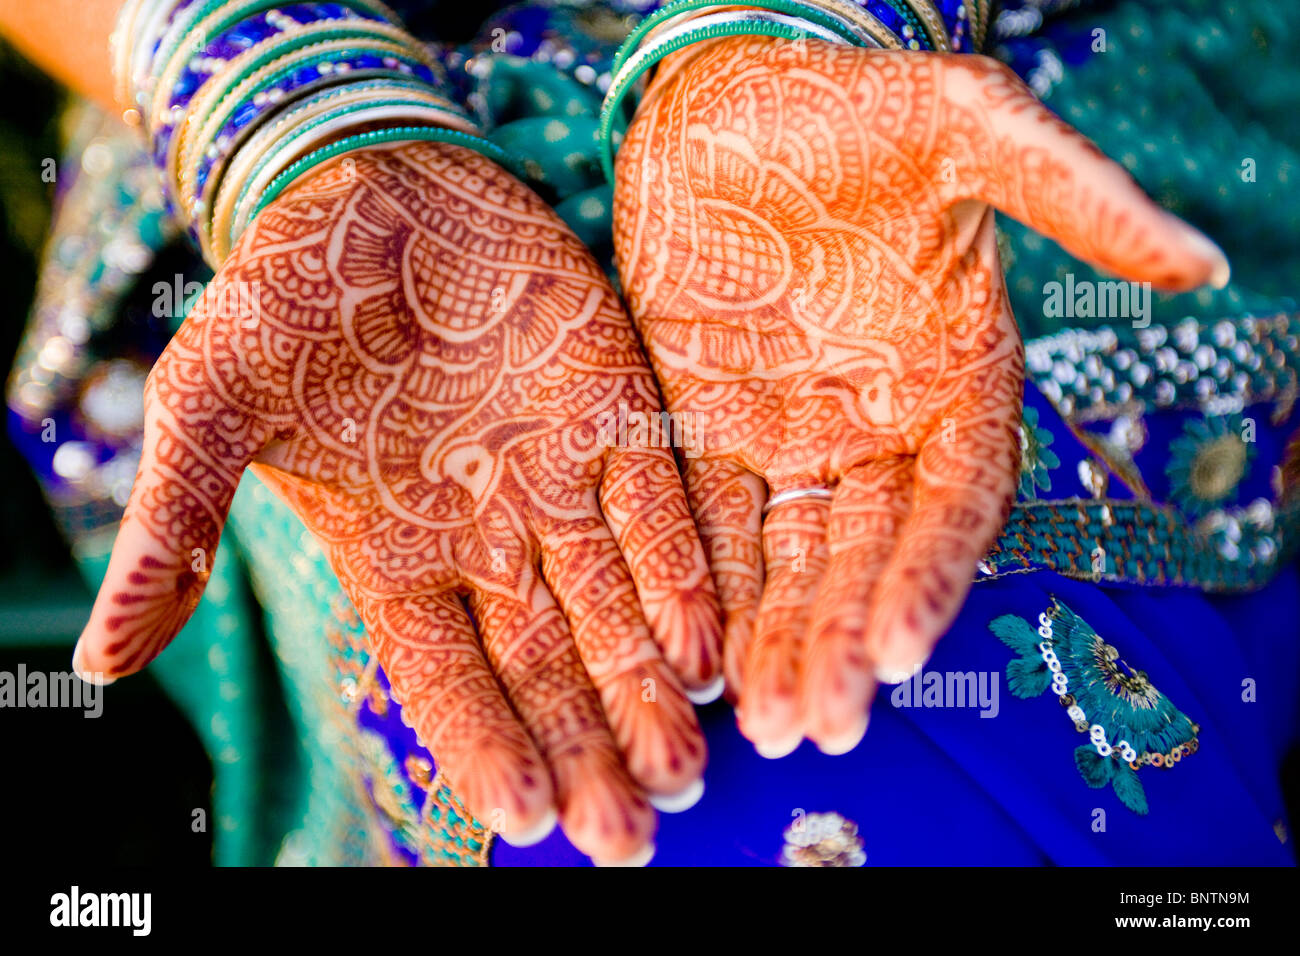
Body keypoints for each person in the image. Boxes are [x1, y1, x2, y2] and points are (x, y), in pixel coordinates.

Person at [2, 0, 1296, 866]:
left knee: (908, 717)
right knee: (611, 782)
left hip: (1045, 65)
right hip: (288, 151)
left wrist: (800, 28)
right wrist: (291, 109)